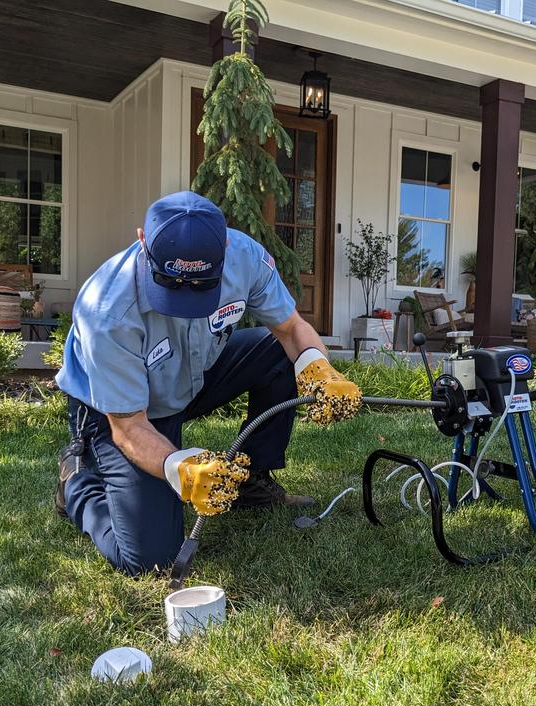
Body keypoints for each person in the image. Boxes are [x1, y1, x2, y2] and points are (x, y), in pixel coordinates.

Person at [55, 191, 361, 575]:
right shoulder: (107, 311)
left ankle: (253, 481)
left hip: (192, 377)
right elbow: (129, 428)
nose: (183, 297)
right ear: (142, 240)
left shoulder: (244, 258)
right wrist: (178, 466)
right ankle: (77, 484)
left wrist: (319, 369)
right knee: (150, 560)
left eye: (201, 286)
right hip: (119, 411)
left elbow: (291, 328)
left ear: (226, 248)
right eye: (168, 281)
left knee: (280, 353)